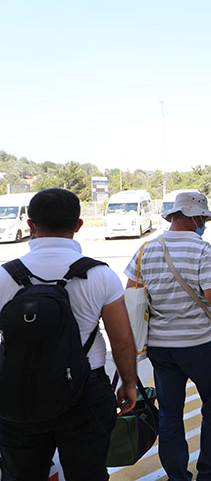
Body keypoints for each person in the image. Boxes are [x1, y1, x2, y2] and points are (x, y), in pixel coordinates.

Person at [0, 188, 138, 480]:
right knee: (87, 473)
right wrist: (128, 382)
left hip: (17, 390)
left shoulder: (3, 275)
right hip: (85, 390)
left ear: (30, 225)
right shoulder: (100, 275)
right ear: (78, 225)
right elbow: (122, 339)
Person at [124, 191, 211, 481]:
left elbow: (131, 293)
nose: (204, 224)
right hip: (197, 344)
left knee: (170, 414)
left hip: (161, 347)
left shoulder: (145, 249)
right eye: (203, 219)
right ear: (195, 218)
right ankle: (210, 475)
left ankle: (178, 477)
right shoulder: (201, 248)